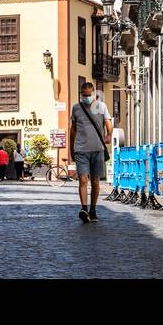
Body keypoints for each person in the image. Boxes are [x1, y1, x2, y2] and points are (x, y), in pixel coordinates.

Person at [68, 80, 111, 223]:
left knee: (95, 181)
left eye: (88, 94)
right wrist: (71, 148)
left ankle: (93, 210)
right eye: (83, 95)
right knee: (83, 180)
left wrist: (109, 135)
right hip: (81, 149)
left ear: (93, 93)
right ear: (81, 94)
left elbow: (108, 123)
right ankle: (84, 209)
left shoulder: (101, 106)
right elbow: (73, 130)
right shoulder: (76, 108)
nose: (86, 97)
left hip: (98, 149)